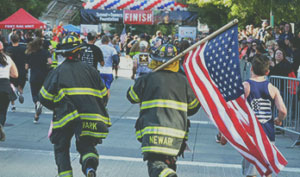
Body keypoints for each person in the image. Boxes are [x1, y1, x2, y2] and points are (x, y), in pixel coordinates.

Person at [39, 35, 110, 177]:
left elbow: (44, 97)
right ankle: (90, 168)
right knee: (87, 145)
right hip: (89, 117)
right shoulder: (91, 71)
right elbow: (104, 96)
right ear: (80, 51)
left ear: (63, 53)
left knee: (61, 148)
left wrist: (57, 106)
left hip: (65, 117)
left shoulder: (57, 72)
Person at [127, 44, 200, 177]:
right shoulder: (184, 82)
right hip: (177, 136)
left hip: (153, 133)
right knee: (169, 166)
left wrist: (143, 82)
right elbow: (193, 108)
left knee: (156, 165)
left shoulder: (147, 79)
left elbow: (131, 97)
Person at [242, 54, 287, 177]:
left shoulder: (246, 86)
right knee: (266, 171)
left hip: (252, 134)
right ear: (267, 72)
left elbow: (236, 108)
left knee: (251, 172)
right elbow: (282, 110)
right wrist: (279, 119)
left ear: (251, 69)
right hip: (268, 134)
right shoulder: (273, 88)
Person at [25, 37, 52, 123]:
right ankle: (37, 114)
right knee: (42, 92)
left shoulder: (30, 53)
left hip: (34, 76)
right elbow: (50, 62)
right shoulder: (45, 52)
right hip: (44, 76)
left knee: (34, 93)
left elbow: (26, 66)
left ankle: (37, 103)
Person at [0, 41, 18, 141]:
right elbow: (15, 75)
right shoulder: (8, 58)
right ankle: (1, 125)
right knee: (2, 111)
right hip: (5, 86)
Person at [6, 34, 28, 111]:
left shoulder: (8, 49)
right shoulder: (24, 48)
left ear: (11, 40)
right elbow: (26, 60)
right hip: (22, 70)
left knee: (11, 87)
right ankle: (20, 93)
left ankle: (13, 105)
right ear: (19, 40)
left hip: (12, 71)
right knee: (20, 86)